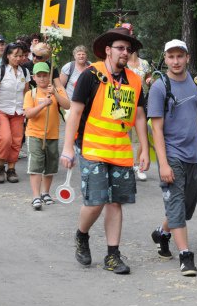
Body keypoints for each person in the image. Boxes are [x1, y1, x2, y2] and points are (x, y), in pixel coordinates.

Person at [60, 26, 150, 275]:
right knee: (96, 201)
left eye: (128, 49)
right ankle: (82, 234)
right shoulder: (90, 75)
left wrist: (144, 149)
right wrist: (68, 148)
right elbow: (75, 112)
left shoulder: (134, 79)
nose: (125, 52)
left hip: (121, 150)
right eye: (120, 48)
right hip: (92, 147)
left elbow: (140, 117)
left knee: (115, 203)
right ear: (108, 50)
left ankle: (112, 255)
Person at [147, 39, 197, 276]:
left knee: (186, 207)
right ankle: (185, 255)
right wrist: (163, 163)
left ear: (187, 57)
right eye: (171, 57)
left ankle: (162, 233)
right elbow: (156, 128)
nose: (175, 61)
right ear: (164, 59)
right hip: (172, 155)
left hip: (195, 155)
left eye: (180, 56)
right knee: (175, 204)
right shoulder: (159, 87)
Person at [23, 61, 70, 210]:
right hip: (34, 134)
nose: (42, 79)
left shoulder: (56, 91)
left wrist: (55, 93)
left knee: (50, 166)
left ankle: (45, 193)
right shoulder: (31, 93)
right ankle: (36, 196)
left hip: (52, 135)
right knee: (36, 166)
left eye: (45, 75)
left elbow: (68, 105)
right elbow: (28, 114)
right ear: (34, 78)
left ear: (49, 77)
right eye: (39, 76)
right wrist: (43, 104)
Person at [0, 43, 30, 184]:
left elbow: (26, 92)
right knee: (5, 138)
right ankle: (0, 167)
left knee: (17, 141)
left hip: (18, 111)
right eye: (15, 56)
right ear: (8, 56)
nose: (19, 58)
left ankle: (11, 169)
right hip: (2, 110)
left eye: (21, 56)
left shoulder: (24, 72)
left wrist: (27, 108)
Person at [127, 48, 152, 182]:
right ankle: (127, 164)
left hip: (142, 102)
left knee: (145, 133)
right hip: (124, 102)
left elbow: (148, 75)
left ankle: (139, 165)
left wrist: (149, 79)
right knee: (125, 135)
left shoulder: (144, 63)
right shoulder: (123, 62)